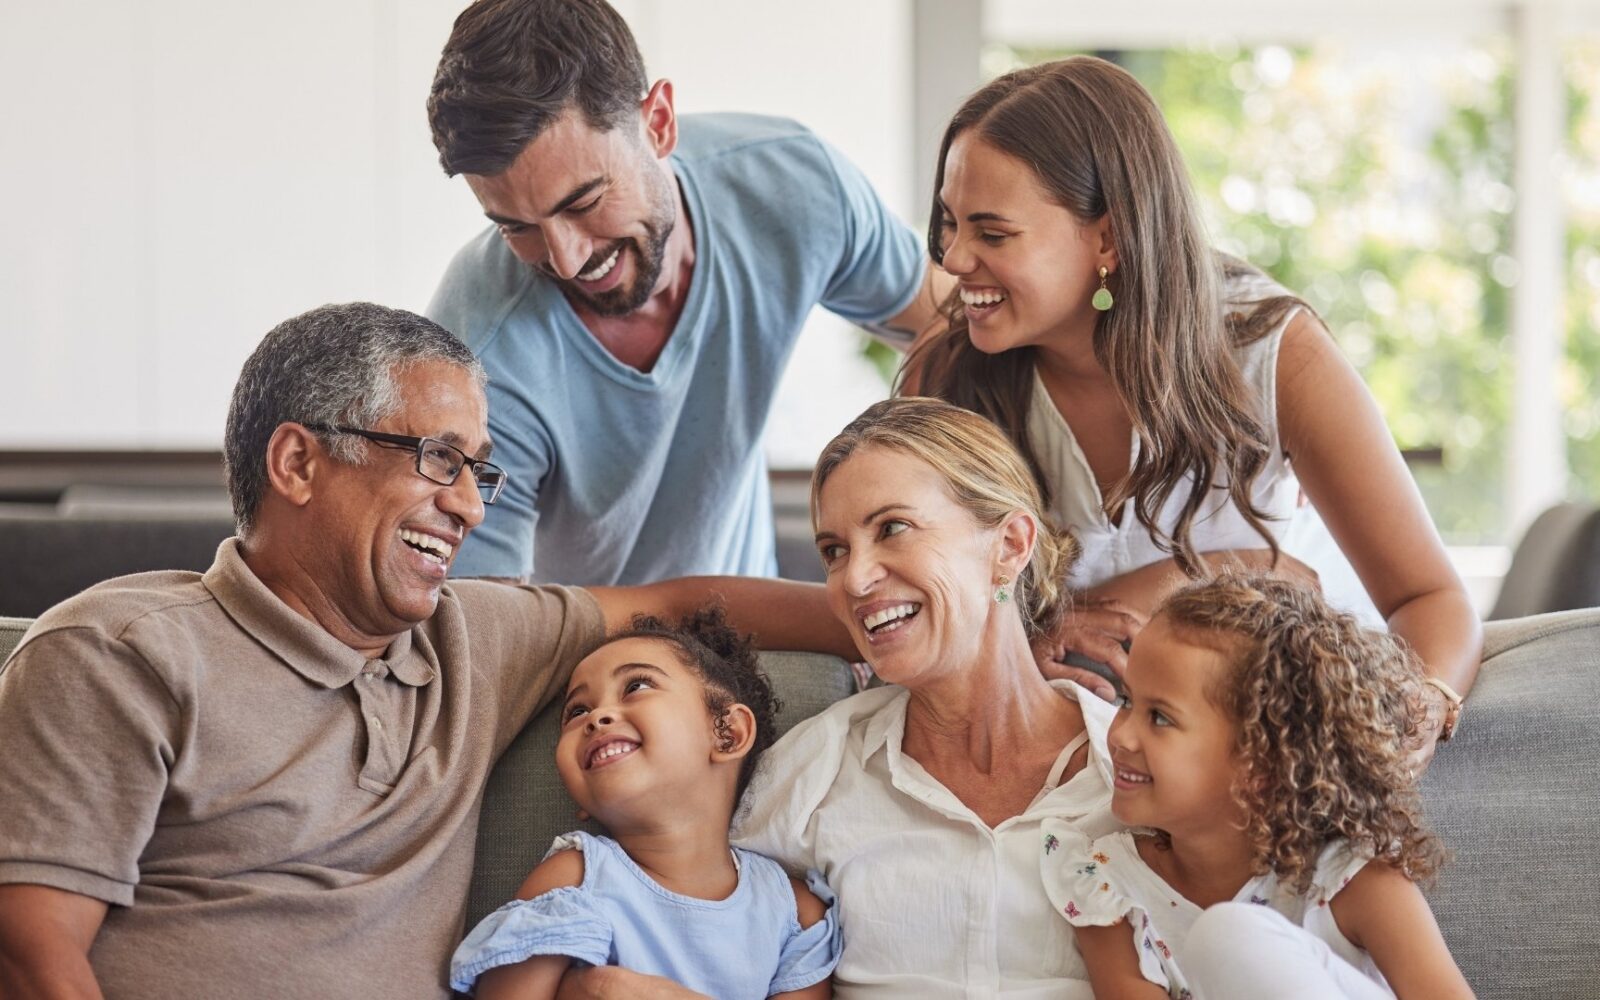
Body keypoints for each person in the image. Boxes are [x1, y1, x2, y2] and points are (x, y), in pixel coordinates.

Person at [0, 303, 857, 1000]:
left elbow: (673, 604)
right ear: (299, 463)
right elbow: (33, 960)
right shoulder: (116, 654)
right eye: (439, 459)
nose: (472, 510)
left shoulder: (472, 636)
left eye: (478, 472)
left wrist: (903, 629)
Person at [903, 56, 1479, 759]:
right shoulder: (950, 375)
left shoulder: (1272, 354)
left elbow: (1431, 598)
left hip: (1279, 732)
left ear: (1108, 239)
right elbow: (915, 611)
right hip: (1083, 757)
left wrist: (1418, 713)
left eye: (992, 234)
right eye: (949, 225)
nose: (953, 259)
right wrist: (1182, 577)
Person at [425, 0, 949, 587]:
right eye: (516, 227)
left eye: (584, 202)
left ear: (658, 124)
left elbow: (951, 327)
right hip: (575, 664)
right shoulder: (476, 355)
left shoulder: (792, 184)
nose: (567, 259)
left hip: (758, 644)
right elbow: (488, 634)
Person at [734, 396, 1120, 998]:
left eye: (893, 528)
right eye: (834, 551)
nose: (855, 580)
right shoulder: (815, 772)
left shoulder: (1131, 770)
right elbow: (714, 942)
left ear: (1011, 546)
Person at [1043, 574, 1473, 999]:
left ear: (1265, 762)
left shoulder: (1350, 874)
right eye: (1127, 701)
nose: (1119, 736)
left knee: (1227, 936)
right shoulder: (1106, 882)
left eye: (1160, 718)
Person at [451, 607, 840, 999]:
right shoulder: (575, 879)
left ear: (728, 733)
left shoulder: (795, 912)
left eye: (636, 686)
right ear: (578, 796)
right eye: (577, 711)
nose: (597, 716)